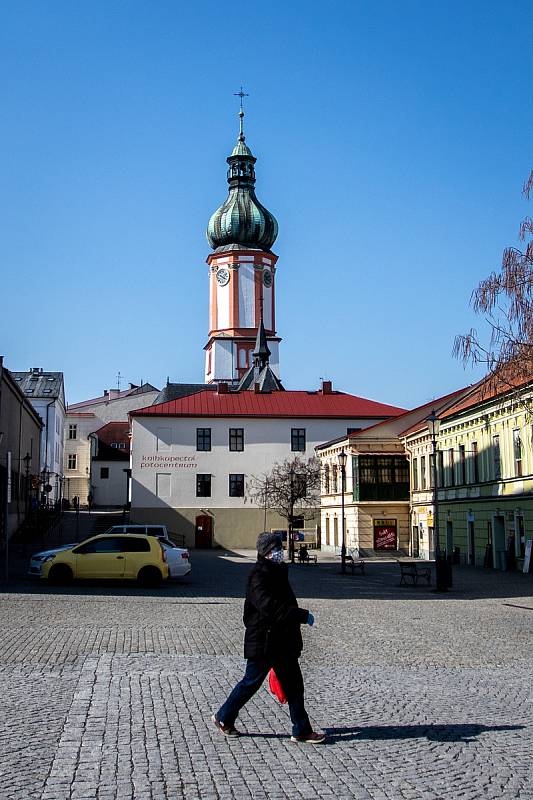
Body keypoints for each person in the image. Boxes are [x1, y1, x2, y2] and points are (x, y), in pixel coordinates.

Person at [212, 532, 325, 743]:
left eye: (279, 549)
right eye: (276, 549)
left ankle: (301, 729)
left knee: (294, 685)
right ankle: (223, 716)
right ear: (267, 552)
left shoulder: (277, 572)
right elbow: (270, 608)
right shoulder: (259, 575)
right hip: (264, 641)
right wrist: (301, 615)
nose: (280, 552)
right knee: (251, 682)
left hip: (281, 641)